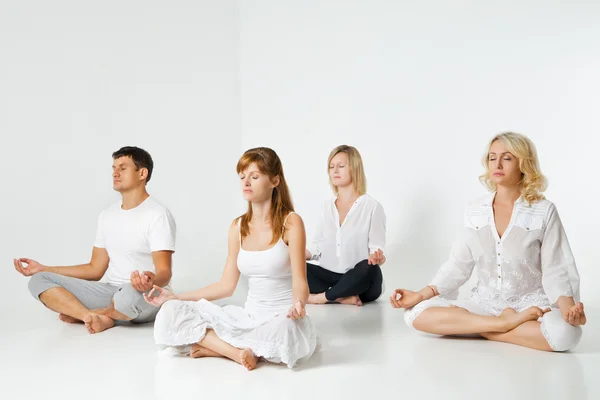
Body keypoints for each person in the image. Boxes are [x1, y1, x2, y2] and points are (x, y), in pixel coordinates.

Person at [390, 132, 585, 352]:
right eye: (492, 157)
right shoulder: (475, 210)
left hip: (530, 305)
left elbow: (556, 268)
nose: (498, 164)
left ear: (523, 163)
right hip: (485, 304)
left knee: (566, 335)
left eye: (507, 158)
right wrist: (420, 294)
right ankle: (504, 324)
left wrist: (569, 310)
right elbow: (458, 266)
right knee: (415, 314)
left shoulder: (543, 210)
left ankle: (481, 329)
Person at [146, 147, 317, 370]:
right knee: (171, 312)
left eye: (254, 176)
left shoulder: (291, 222)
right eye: (242, 176)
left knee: (285, 335)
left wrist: (299, 305)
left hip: (280, 318)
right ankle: (236, 353)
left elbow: (300, 281)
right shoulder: (237, 227)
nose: (246, 182)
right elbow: (226, 286)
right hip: (247, 317)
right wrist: (176, 297)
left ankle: (215, 347)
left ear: (275, 181)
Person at [14, 146, 176, 334]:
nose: (115, 173)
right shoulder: (107, 215)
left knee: (128, 297)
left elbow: (165, 273)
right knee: (38, 281)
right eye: (114, 168)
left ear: (142, 173)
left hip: (143, 295)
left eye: (123, 168)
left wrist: (150, 280)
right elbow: (95, 269)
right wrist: (43, 268)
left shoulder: (157, 215)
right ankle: (89, 316)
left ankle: (102, 316)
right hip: (109, 291)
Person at [306, 145, 386, 306]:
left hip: (359, 280)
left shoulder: (372, 206)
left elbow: (376, 251)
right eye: (331, 166)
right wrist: (297, 254)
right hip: (328, 276)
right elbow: (318, 247)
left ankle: (321, 298)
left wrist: (377, 257)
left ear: (354, 169)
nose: (335, 170)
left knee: (370, 268)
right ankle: (341, 296)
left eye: (341, 166)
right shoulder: (326, 206)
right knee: (291, 266)